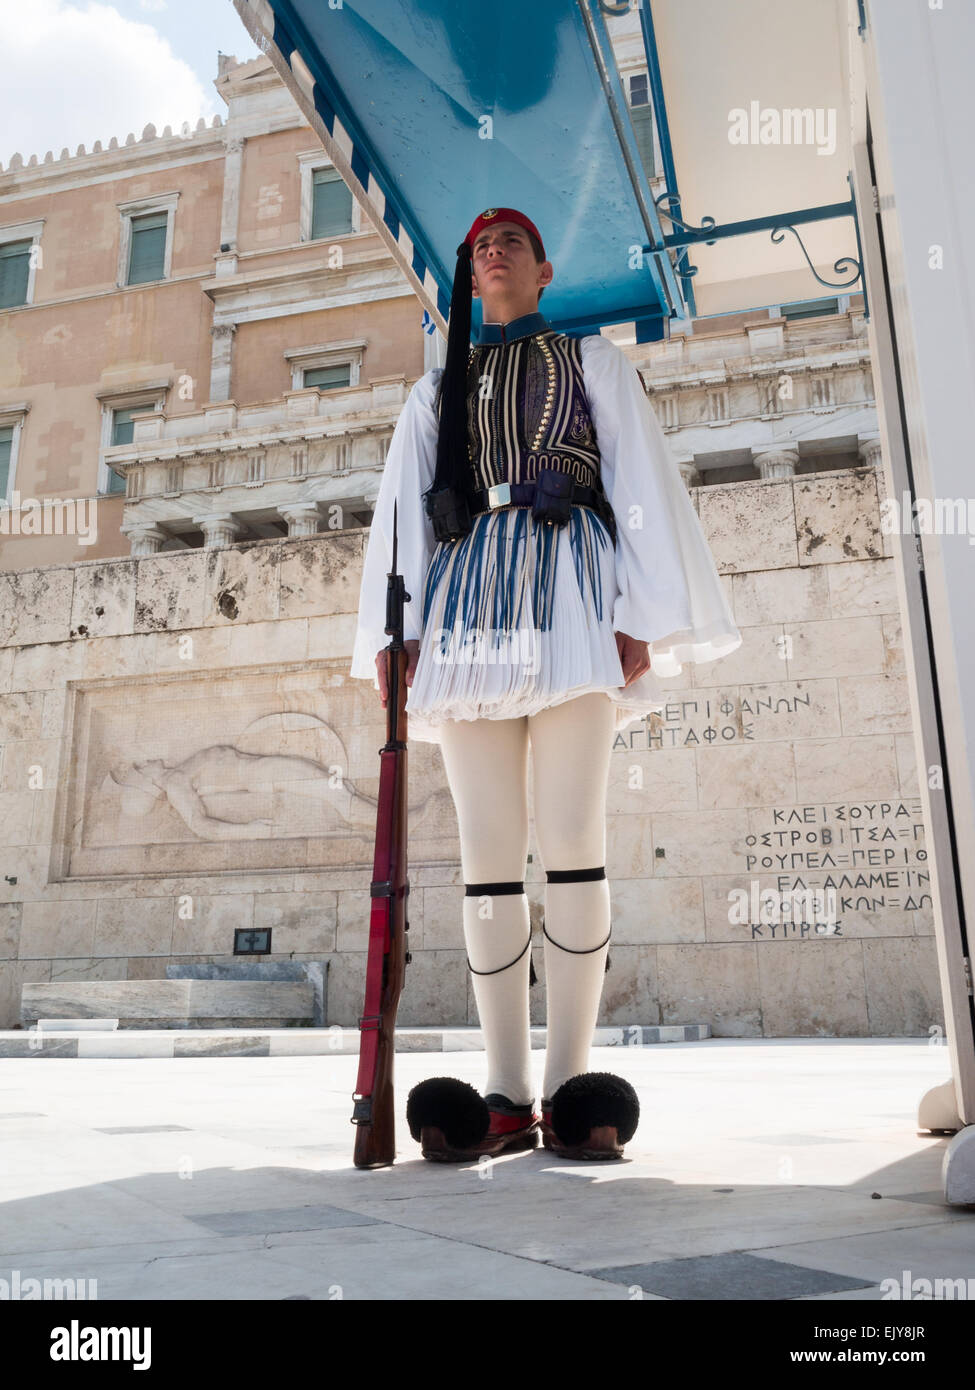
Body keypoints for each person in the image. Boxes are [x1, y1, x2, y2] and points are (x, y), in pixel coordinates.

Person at [350, 207, 741, 1161]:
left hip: (570, 585)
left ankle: (571, 1082)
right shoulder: (434, 389)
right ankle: (504, 1087)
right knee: (487, 846)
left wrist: (640, 611)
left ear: (543, 268)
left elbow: (639, 483)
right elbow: (402, 515)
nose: (492, 251)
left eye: (511, 242)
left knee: (571, 836)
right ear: (467, 275)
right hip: (469, 597)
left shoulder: (592, 362)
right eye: (479, 244)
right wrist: (392, 637)